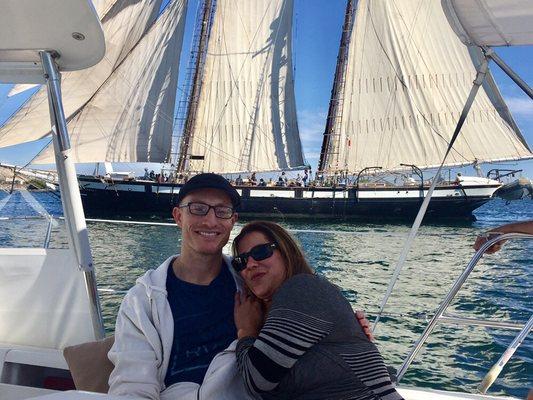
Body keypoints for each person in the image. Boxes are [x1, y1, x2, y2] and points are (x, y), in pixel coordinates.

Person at [108, 173, 372, 399]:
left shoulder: (253, 284)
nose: (210, 221)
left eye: (221, 211)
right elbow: (133, 384)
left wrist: (348, 332)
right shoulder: (143, 300)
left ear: (232, 220)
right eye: (198, 208)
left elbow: (307, 321)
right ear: (178, 216)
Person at [232, 221, 401, 400]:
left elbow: (257, 381)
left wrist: (246, 331)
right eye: (240, 261)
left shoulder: (303, 289)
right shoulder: (281, 312)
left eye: (261, 252)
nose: (250, 264)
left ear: (286, 251)